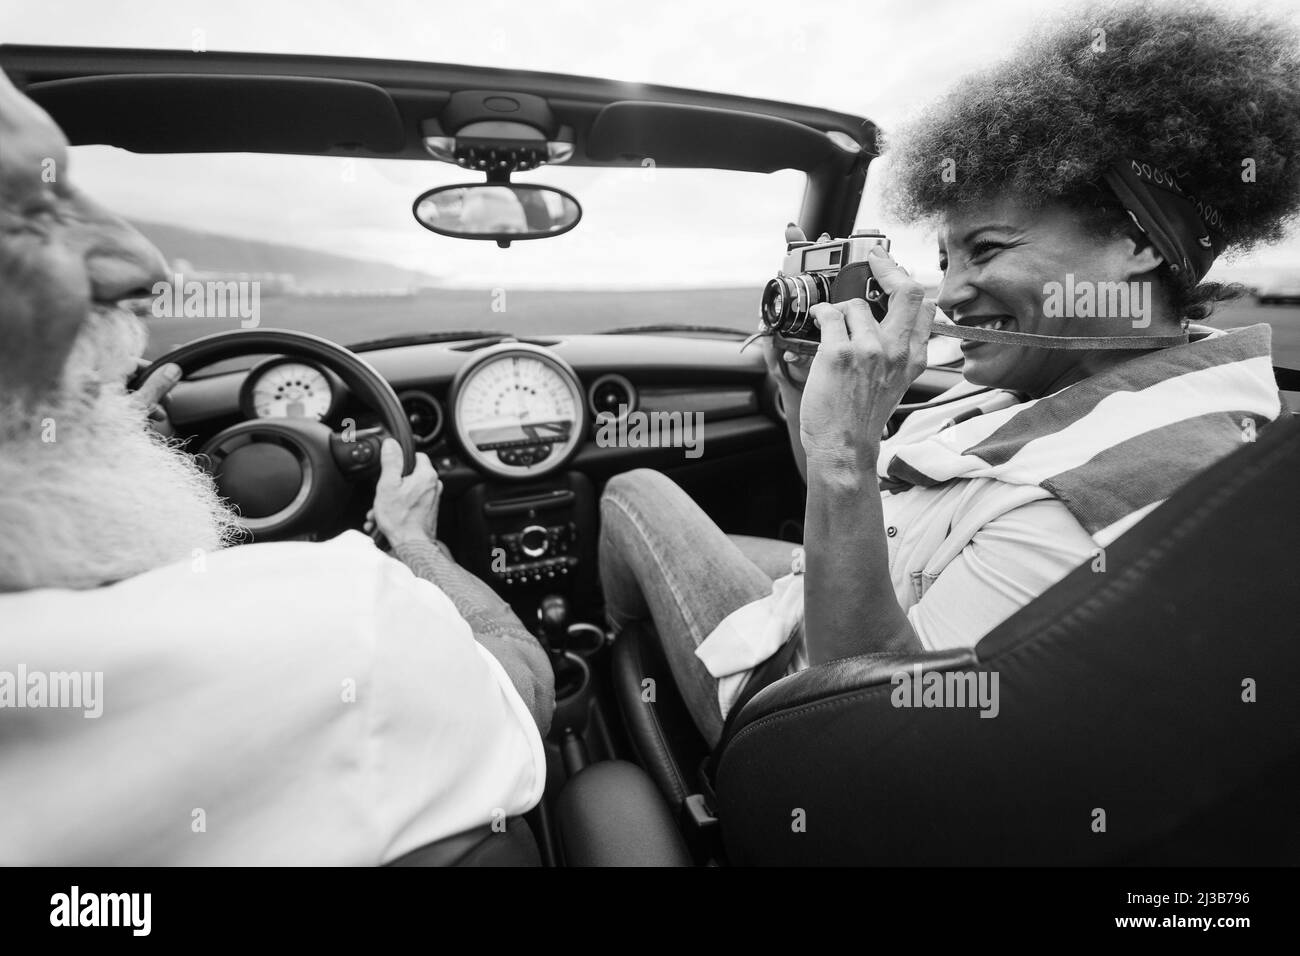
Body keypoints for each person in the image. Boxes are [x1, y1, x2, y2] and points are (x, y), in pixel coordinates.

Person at [598, 0, 1300, 747]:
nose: (950, 292)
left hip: (788, 715)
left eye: (988, 249)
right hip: (843, 593)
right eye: (944, 260)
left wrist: (843, 456)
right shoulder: (1055, 377)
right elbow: (876, 511)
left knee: (631, 495)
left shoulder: (1106, 495)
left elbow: (863, 722)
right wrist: (806, 387)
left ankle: (631, 709)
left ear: (1135, 245)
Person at [0, 68, 554, 864]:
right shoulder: (346, 623)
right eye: (29, 211)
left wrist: (101, 441)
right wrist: (414, 542)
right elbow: (528, 689)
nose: (143, 264)